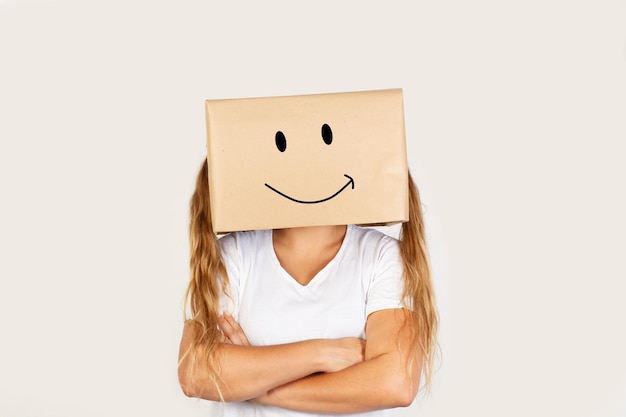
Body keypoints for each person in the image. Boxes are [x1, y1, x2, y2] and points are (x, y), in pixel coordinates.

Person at [178, 159, 438, 416]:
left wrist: (257, 387)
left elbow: (395, 383)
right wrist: (322, 353)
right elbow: (195, 372)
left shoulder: (381, 256)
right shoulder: (234, 254)